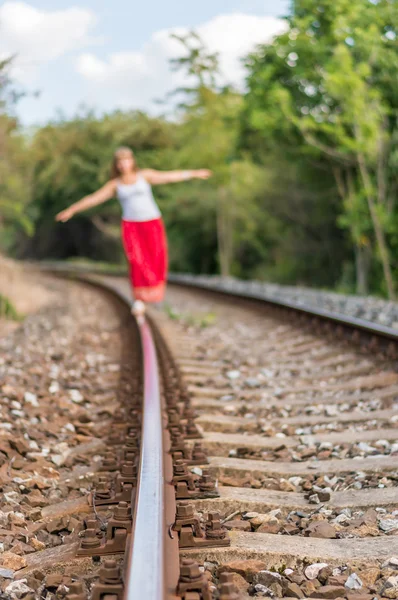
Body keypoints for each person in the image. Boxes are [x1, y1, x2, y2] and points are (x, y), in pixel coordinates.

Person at [55, 147, 212, 315]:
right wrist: (72, 210)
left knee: (156, 258)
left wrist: (194, 173)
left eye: (127, 160)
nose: (124, 164)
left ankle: (155, 296)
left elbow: (168, 176)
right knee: (136, 260)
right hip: (132, 226)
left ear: (132, 161)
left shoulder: (144, 176)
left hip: (152, 222)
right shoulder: (115, 185)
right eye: (120, 162)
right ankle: (139, 299)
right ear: (116, 165)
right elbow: (93, 198)